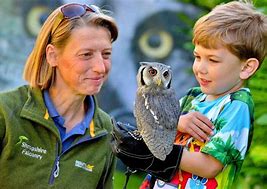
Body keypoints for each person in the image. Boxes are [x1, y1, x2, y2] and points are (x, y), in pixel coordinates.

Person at [111, 0, 266, 189]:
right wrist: (176, 123)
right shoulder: (193, 97)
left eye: (213, 60)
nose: (200, 68)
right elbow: (159, 130)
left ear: (246, 67)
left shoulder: (236, 106)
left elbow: (208, 167)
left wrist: (156, 149)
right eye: (197, 56)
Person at [0, 3, 118, 189]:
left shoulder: (106, 131)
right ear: (52, 55)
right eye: (86, 54)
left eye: (106, 54)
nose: (100, 67)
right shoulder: (5, 111)